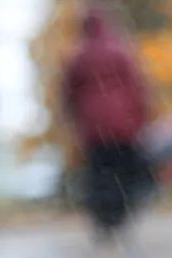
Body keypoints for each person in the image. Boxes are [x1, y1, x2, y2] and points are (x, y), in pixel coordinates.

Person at [64, 6, 149, 238]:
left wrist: (74, 121)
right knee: (121, 171)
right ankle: (118, 217)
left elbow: (69, 94)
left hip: (93, 127)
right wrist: (140, 117)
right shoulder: (121, 50)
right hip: (123, 124)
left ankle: (104, 219)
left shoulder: (78, 55)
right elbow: (137, 87)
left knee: (99, 173)